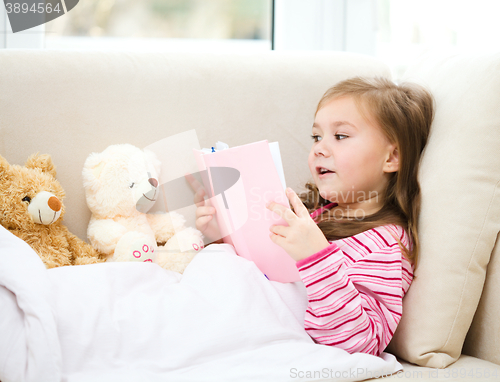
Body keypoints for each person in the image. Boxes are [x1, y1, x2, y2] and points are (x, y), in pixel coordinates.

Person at [192, 76, 434, 357]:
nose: (319, 148)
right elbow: (268, 274)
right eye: (317, 137)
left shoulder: (384, 247)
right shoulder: (316, 213)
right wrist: (223, 234)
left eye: (340, 136)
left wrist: (317, 257)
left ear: (391, 157)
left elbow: (361, 343)